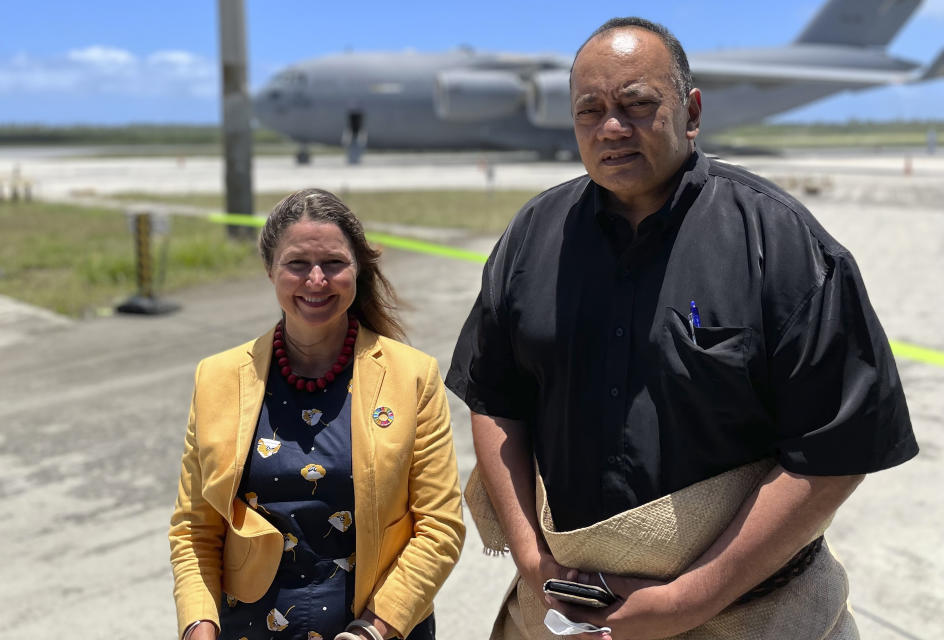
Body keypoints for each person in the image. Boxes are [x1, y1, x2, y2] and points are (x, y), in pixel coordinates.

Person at [446, 17, 918, 640]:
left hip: (746, 612)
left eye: (637, 105)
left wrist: (687, 601)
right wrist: (534, 560)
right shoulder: (533, 236)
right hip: (562, 607)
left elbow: (835, 450)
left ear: (691, 111)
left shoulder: (779, 243)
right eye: (590, 111)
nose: (612, 128)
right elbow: (495, 401)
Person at [170, 188, 465, 640]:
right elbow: (195, 530)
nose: (315, 280)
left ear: (358, 269)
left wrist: (373, 629)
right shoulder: (218, 379)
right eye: (296, 264)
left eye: (333, 264)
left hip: (374, 631)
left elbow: (439, 528)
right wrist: (198, 626)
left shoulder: (413, 377)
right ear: (270, 270)